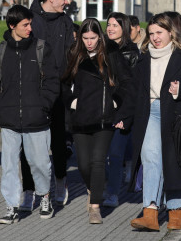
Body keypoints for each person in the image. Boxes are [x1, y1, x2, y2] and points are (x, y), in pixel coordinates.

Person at [117, 13, 181, 232]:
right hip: (149, 112)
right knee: (150, 158)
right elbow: (133, 92)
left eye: (160, 32)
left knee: (173, 160)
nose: (156, 37)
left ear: (171, 32)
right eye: (151, 34)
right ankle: (150, 211)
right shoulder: (144, 58)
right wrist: (123, 117)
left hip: (176, 114)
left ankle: (176, 211)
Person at [0, 5, 60, 224]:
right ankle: (11, 205)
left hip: (37, 119)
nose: (30, 28)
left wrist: (43, 105)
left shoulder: (41, 48)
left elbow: (52, 81)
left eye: (31, 24)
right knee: (9, 166)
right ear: (12, 26)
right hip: (9, 120)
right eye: (25, 25)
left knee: (40, 164)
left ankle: (44, 196)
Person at [63, 18, 131, 224]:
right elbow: (63, 83)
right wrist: (71, 101)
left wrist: (116, 101)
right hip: (81, 118)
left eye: (93, 38)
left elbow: (127, 81)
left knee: (98, 161)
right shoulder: (74, 54)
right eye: (85, 38)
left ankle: (95, 206)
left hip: (104, 117)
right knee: (83, 164)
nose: (89, 42)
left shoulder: (110, 53)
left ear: (99, 36)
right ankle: (93, 187)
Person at [19, 0, 75, 210]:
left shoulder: (66, 22)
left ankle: (60, 181)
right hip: (34, 91)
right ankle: (28, 191)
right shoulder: (30, 19)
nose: (67, 2)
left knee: (60, 143)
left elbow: (73, 53)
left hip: (60, 90)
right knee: (29, 145)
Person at [103, 12, 139, 208]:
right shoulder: (102, 50)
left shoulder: (132, 53)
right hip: (103, 110)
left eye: (115, 25)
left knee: (116, 154)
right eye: (108, 24)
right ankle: (104, 186)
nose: (110, 28)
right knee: (101, 155)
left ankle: (113, 193)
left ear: (124, 28)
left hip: (123, 112)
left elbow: (133, 89)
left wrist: (125, 116)